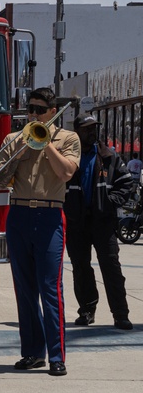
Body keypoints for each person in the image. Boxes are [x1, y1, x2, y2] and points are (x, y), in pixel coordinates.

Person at [0, 87, 80, 376]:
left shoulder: (68, 138)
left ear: (52, 110)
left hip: (49, 214)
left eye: (39, 109)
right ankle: (32, 352)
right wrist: (19, 152)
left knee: (50, 288)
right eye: (29, 108)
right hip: (18, 212)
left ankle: (57, 356)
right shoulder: (13, 139)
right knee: (24, 288)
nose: (33, 114)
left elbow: (66, 173)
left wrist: (45, 144)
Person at [64, 114, 133, 330]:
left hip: (103, 222)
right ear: (77, 132)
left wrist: (110, 203)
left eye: (94, 128)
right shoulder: (67, 157)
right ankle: (86, 311)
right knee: (81, 268)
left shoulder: (109, 156)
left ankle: (121, 315)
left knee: (111, 267)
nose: (92, 132)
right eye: (87, 129)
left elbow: (126, 183)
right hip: (76, 223)